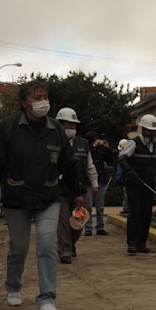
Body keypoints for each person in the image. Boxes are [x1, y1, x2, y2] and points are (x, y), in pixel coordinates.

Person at [0, 80, 85, 310]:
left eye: (45, 96)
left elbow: (68, 163)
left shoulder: (55, 129)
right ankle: (13, 286)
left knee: (47, 244)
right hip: (16, 197)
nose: (43, 102)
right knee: (18, 247)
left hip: (49, 196)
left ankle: (46, 297)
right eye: (36, 97)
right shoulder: (8, 127)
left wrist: (78, 191)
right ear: (23, 103)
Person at [118, 114, 156, 254]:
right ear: (143, 130)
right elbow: (122, 158)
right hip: (134, 185)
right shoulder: (134, 143)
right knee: (135, 213)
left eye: (153, 131)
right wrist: (130, 171)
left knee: (146, 214)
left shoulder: (155, 145)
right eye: (149, 130)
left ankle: (142, 243)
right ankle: (132, 244)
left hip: (148, 184)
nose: (152, 133)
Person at [55, 107, 98, 264]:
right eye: (68, 125)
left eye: (74, 125)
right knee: (63, 223)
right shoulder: (53, 142)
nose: (71, 128)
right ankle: (64, 251)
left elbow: (90, 166)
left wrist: (94, 185)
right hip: (60, 190)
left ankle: (71, 244)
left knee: (79, 221)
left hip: (80, 190)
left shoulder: (83, 144)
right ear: (60, 125)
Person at [83, 130, 113, 236]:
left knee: (100, 205)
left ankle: (100, 226)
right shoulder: (87, 149)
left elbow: (110, 159)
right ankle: (88, 227)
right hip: (88, 181)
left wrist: (108, 148)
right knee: (88, 205)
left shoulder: (101, 149)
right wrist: (94, 146)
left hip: (100, 179)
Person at [115, 139, 130, 214]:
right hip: (126, 177)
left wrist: (118, 177)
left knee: (127, 193)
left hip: (126, 177)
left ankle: (126, 208)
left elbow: (119, 168)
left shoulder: (123, 156)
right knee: (126, 193)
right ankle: (126, 208)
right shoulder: (127, 154)